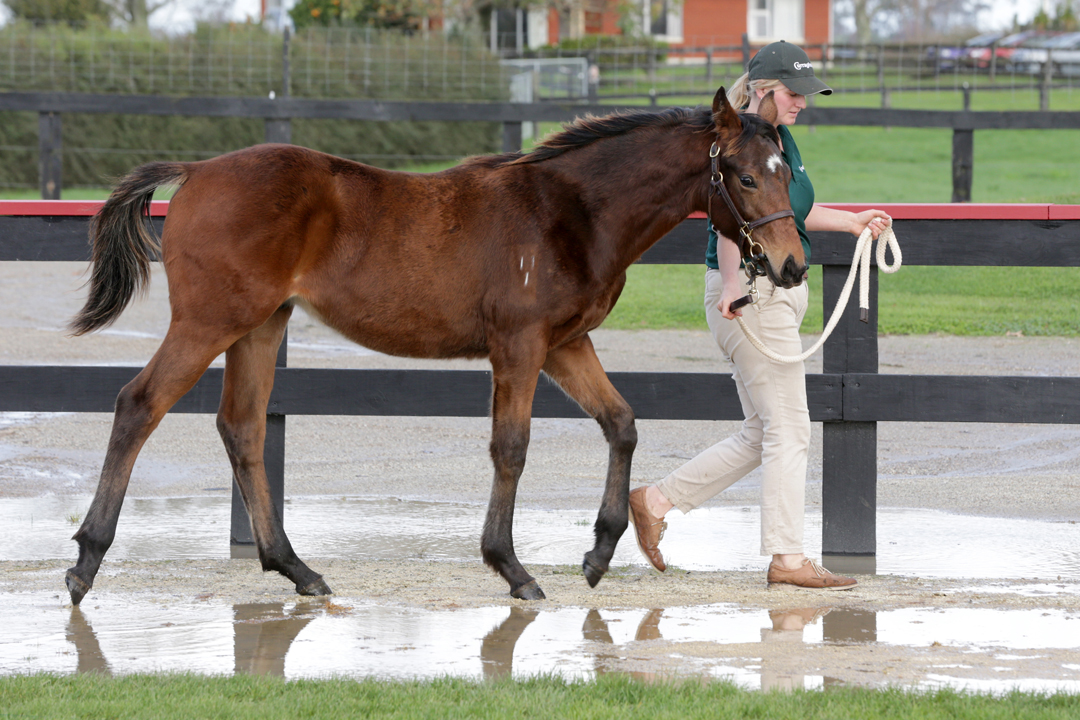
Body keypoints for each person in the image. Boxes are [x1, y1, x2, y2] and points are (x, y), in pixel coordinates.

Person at [628, 41, 892, 590]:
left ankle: (654, 501)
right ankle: (787, 560)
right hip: (752, 292)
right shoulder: (743, 141)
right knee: (790, 428)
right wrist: (731, 283)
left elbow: (784, 212)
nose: (802, 103)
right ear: (763, 89)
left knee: (763, 431)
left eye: (806, 94)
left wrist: (851, 221)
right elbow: (729, 219)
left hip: (774, 292)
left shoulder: (776, 138)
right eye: (794, 93)